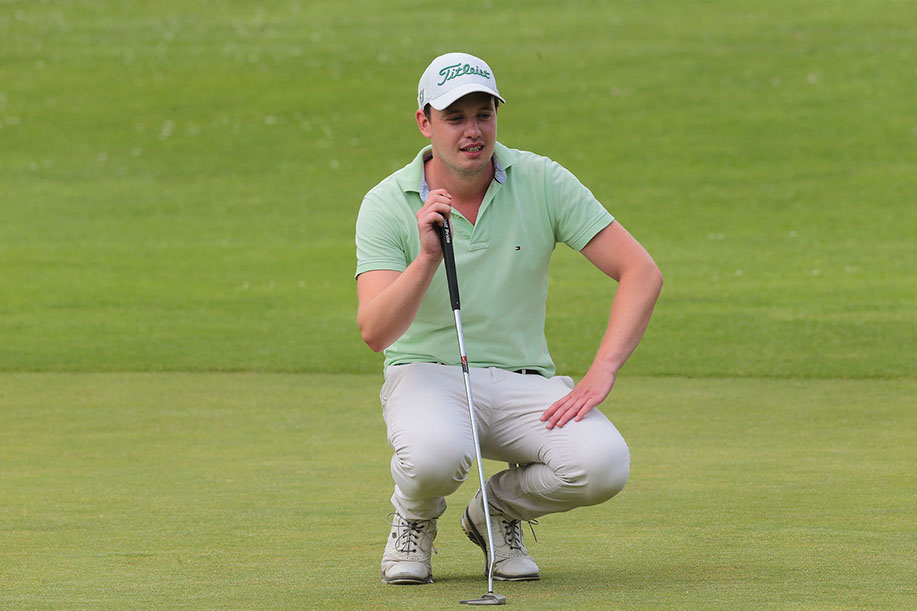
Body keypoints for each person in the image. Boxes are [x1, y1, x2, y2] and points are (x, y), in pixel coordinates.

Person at [355, 52, 663, 585]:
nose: (473, 132)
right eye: (455, 118)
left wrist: (602, 371)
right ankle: (415, 515)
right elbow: (375, 332)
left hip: (524, 379)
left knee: (603, 465)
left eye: (484, 115)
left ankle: (495, 512)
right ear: (425, 122)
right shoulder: (386, 202)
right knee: (433, 457)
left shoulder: (541, 179)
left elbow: (640, 271)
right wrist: (427, 258)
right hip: (428, 374)